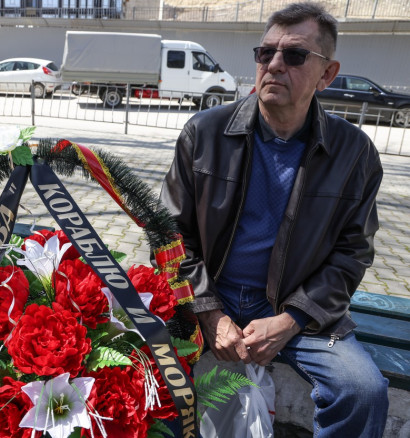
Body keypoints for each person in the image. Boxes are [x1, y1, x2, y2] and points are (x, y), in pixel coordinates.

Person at [160, 2, 389, 436]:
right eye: (265, 53)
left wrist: (291, 320)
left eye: (295, 55)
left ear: (327, 73)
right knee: (144, 371)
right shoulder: (204, 132)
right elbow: (170, 235)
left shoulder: (354, 152)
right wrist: (209, 312)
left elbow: (353, 253)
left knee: (362, 390)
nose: (275, 65)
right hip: (207, 298)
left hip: (299, 310)